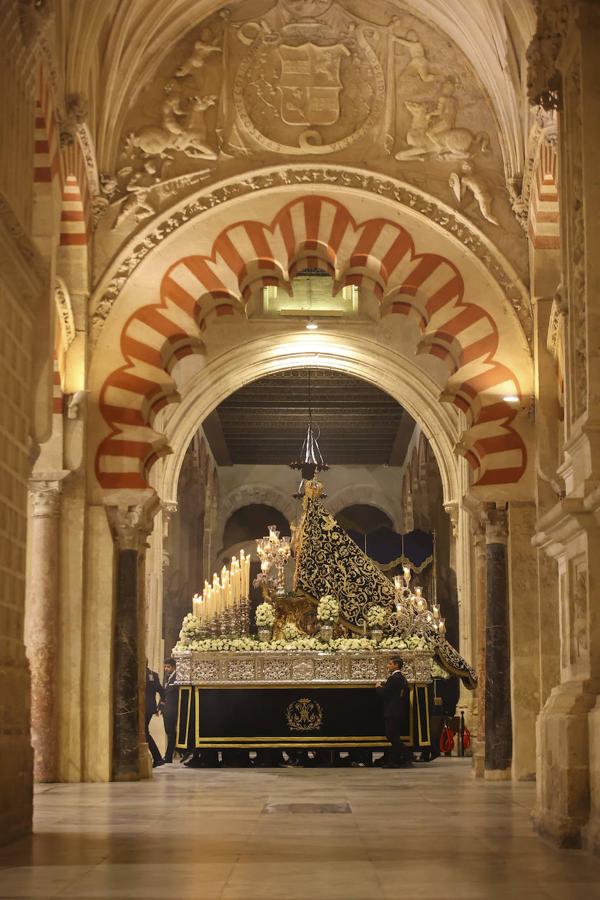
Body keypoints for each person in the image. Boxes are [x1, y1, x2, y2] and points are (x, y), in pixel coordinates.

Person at [376, 657, 412, 768]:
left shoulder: (394, 678)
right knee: (393, 735)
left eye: (390, 664)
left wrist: (378, 687)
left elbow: (384, 693)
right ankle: (401, 757)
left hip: (392, 711)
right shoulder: (401, 678)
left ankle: (402, 757)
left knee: (392, 735)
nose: (388, 666)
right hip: (397, 711)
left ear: (396, 665)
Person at [145, 663, 165, 768]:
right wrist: (160, 705)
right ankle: (157, 758)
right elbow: (162, 691)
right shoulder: (153, 674)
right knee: (144, 732)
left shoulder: (138, 675)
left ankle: (157, 758)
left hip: (142, 707)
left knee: (144, 733)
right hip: (150, 708)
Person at [160, 658, 179, 764]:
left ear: (173, 667)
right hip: (166, 709)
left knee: (171, 733)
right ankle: (168, 756)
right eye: (165, 666)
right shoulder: (166, 677)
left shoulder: (177, 677)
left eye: (168, 667)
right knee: (168, 732)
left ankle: (168, 757)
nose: (166, 669)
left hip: (173, 709)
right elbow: (164, 693)